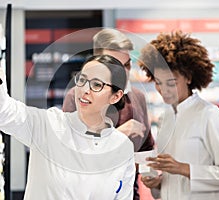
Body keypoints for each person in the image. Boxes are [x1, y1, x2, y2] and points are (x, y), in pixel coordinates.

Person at [0, 8, 135, 200]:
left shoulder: (122, 148)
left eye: (96, 85)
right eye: (82, 79)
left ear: (115, 96)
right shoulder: (49, 124)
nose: (84, 90)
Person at [139, 31, 219, 199]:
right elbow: (171, 180)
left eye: (171, 83)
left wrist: (183, 168)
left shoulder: (209, 115)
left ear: (188, 77)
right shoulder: (166, 118)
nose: (163, 90)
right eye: (158, 83)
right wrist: (158, 184)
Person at [62, 28, 155, 200]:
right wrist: (117, 136)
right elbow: (70, 156)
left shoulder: (138, 98)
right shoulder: (77, 97)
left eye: (127, 64)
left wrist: (153, 176)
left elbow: (147, 149)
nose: (124, 72)